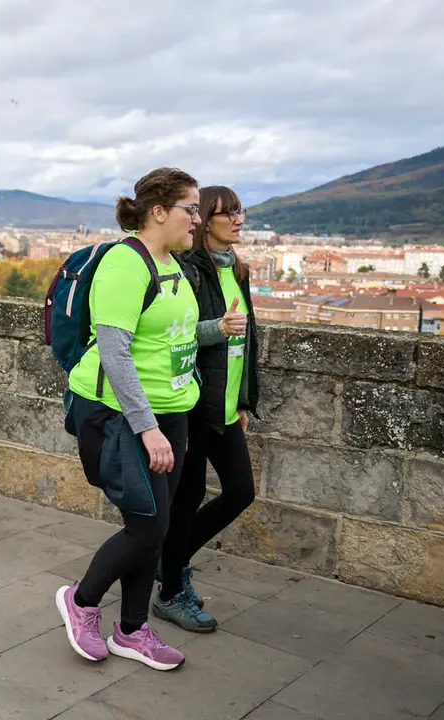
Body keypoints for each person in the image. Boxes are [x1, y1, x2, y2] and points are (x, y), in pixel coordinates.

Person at [53, 168, 243, 671]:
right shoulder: (125, 264)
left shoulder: (172, 264)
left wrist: (217, 328)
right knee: (147, 527)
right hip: (121, 414)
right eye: (190, 208)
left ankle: (132, 630)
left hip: (170, 411)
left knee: (154, 527)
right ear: (158, 212)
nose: (196, 219)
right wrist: (149, 428)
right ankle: (82, 600)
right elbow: (115, 354)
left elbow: (172, 336)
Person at [155, 186, 256, 633]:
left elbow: (247, 342)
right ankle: (170, 590)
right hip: (194, 401)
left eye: (240, 211)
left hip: (224, 404)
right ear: (205, 222)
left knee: (240, 492)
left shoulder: (238, 269)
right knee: (187, 496)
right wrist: (217, 327)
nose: (237, 219)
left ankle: (170, 563)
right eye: (227, 212)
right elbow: (177, 334)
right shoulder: (190, 270)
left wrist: (242, 399)